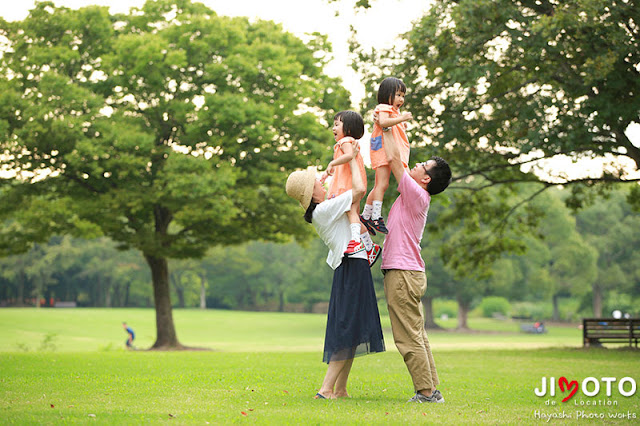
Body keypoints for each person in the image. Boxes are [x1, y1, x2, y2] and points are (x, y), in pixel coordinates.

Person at [286, 143, 385, 399]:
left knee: (352, 328)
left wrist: (335, 166)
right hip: (351, 265)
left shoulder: (325, 206)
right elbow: (359, 189)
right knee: (346, 329)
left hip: (354, 264)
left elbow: (336, 183)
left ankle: (340, 389)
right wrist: (352, 158)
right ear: (312, 193)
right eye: (315, 182)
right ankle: (326, 389)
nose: (319, 181)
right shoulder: (325, 209)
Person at [378, 120, 452, 403]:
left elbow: (396, 160)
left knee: (407, 337)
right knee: (417, 334)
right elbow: (401, 158)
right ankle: (431, 390)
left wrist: (385, 126)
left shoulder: (416, 193)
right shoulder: (415, 195)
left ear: (426, 179)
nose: (416, 165)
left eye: (422, 165)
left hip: (403, 274)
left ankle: (425, 392)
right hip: (409, 272)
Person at [361, 77, 412, 236]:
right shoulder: (384, 107)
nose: (401, 99)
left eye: (403, 96)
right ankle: (376, 216)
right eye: (398, 95)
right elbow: (383, 122)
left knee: (379, 185)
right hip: (383, 149)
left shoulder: (395, 112)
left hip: (389, 150)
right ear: (387, 94)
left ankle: (366, 215)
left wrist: (400, 121)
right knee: (381, 184)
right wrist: (401, 119)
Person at [321, 111, 372, 257]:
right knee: (353, 213)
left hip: (350, 184)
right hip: (352, 182)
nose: (333, 128)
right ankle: (369, 246)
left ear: (348, 129)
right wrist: (327, 173)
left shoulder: (345, 141)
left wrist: (332, 162)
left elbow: (350, 156)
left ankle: (356, 241)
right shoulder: (345, 143)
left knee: (351, 211)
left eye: (337, 124)